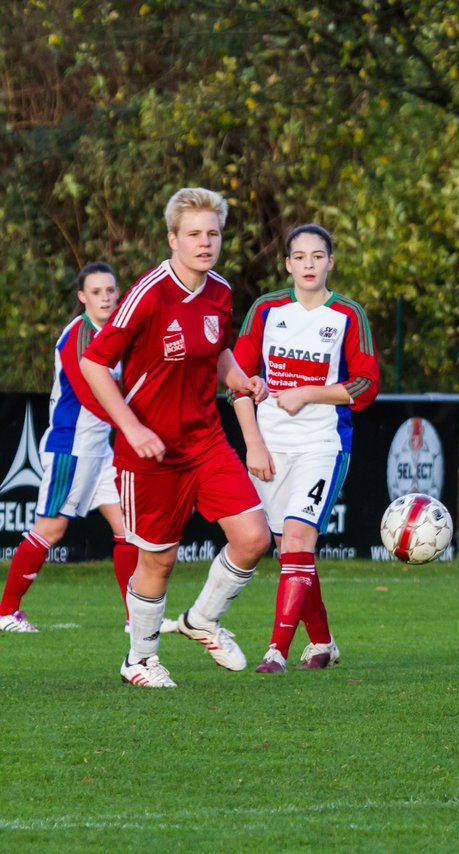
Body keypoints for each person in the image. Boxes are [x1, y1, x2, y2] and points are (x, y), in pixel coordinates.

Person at [80, 187, 273, 688]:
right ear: (173, 239)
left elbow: (220, 353)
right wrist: (132, 425)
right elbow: (94, 362)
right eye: (193, 234)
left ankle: (202, 619)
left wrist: (241, 380)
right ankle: (139, 660)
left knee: (254, 538)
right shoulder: (149, 293)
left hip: (205, 440)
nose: (205, 243)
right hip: (151, 452)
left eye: (213, 233)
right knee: (158, 560)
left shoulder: (220, 291)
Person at [230, 223, 380, 674]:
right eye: (300, 257)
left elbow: (367, 385)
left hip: (323, 445)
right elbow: (237, 379)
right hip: (271, 448)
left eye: (318, 256)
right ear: (288, 264)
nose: (309, 264)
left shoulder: (348, 315)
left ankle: (275, 651)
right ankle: (323, 643)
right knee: (290, 548)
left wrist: (309, 392)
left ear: (331, 262)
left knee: (296, 538)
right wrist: (253, 442)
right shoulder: (266, 309)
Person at [0, 262, 138, 632]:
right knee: (50, 529)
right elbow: (92, 396)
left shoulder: (120, 334)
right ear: (82, 297)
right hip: (71, 447)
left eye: (110, 290)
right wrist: (134, 427)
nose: (105, 297)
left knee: (127, 528)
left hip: (104, 450)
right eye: (96, 292)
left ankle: (135, 619)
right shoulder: (77, 335)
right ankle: (6, 612)